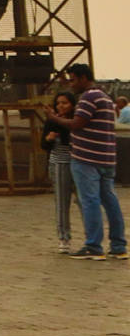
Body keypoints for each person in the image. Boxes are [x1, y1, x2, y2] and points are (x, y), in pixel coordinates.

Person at [44, 63, 126, 260]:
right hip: (106, 158)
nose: (72, 85)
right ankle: (118, 245)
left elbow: (76, 124)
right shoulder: (105, 96)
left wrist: (53, 118)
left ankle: (93, 247)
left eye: (73, 80)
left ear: (82, 78)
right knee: (110, 200)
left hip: (87, 158)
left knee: (90, 201)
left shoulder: (88, 97)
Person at [42, 91, 79, 254]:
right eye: (58, 103)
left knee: (84, 201)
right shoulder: (52, 121)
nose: (61, 106)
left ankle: (92, 238)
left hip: (78, 164)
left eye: (64, 103)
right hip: (59, 163)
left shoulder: (76, 121)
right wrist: (49, 139)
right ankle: (64, 238)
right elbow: (43, 144)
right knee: (62, 202)